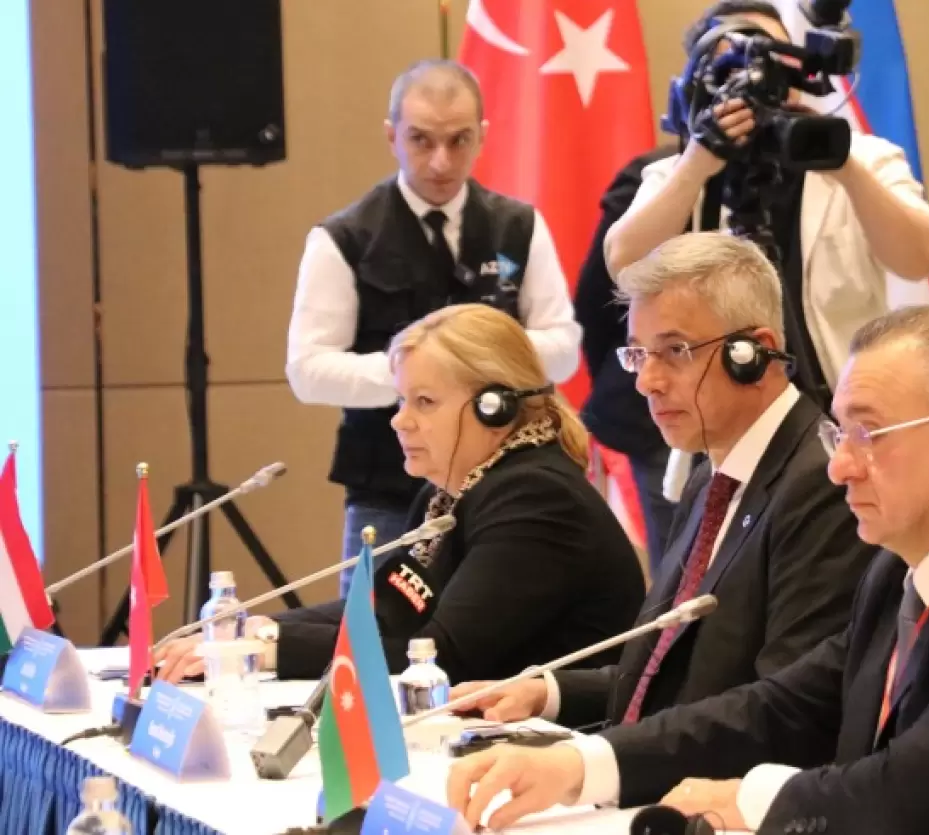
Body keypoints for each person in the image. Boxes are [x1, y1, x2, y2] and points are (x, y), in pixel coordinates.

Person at [445, 306, 929, 835]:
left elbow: (907, 795)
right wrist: (579, 763)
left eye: (869, 433)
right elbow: (777, 708)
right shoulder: (902, 574)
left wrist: (749, 797)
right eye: (839, 433)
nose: (839, 466)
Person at [449, 233, 873, 739]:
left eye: (675, 350)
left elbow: (783, 710)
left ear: (754, 353)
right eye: (639, 354)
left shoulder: (821, 484)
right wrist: (547, 693)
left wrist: (599, 761)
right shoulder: (709, 478)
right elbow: (669, 677)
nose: (646, 381)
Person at [155, 305, 642, 684]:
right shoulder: (451, 492)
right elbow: (384, 612)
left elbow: (441, 656)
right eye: (402, 399)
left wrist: (268, 649)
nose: (400, 421)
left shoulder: (536, 499)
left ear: (495, 407)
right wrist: (257, 631)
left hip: (556, 749)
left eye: (424, 402)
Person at [285, 59, 581, 597]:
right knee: (374, 635)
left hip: (507, 484)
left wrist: (464, 370)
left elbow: (562, 349)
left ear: (483, 136)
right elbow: (308, 371)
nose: (441, 161)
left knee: (499, 626)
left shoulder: (518, 226)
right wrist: (424, 379)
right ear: (391, 135)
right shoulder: (344, 238)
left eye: (459, 140)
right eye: (421, 140)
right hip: (389, 488)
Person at [604, 1, 929, 412]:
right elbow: (624, 265)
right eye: (736, 65)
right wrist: (697, 167)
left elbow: (918, 259)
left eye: (773, 60)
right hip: (722, 415)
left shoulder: (863, 158)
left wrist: (844, 168)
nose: (759, 78)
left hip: (841, 409)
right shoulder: (678, 173)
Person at [575, 145, 682, 565]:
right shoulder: (655, 176)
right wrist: (637, 375)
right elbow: (597, 301)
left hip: (775, 408)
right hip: (658, 425)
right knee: (679, 568)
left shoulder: (807, 160)